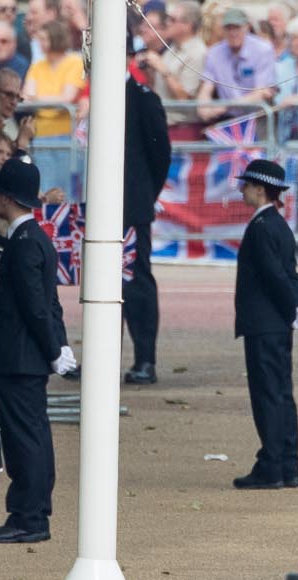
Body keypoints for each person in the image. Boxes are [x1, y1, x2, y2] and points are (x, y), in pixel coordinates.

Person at [0, 157, 72, 544]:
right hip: (29, 355)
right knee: (34, 434)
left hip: (19, 357)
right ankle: (33, 511)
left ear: (5, 197)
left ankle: (27, 515)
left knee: (23, 439)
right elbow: (49, 304)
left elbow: (36, 306)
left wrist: (54, 348)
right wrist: (59, 345)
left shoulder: (24, 243)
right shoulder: (34, 238)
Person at [231, 158, 298, 491]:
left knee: (267, 396)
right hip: (277, 323)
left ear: (259, 190)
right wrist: (297, 306)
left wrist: (291, 305)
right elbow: (290, 273)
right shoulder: (278, 225)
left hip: (264, 323)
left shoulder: (261, 228)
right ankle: (288, 463)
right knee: (281, 393)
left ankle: (271, 465)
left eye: (246, 185)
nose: (241, 190)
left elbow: (275, 276)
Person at [120, 65, 172, 384]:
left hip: (133, 207)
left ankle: (145, 359)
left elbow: (160, 155)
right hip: (107, 204)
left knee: (137, 282)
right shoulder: (107, 95)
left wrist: (144, 196)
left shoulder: (143, 98)